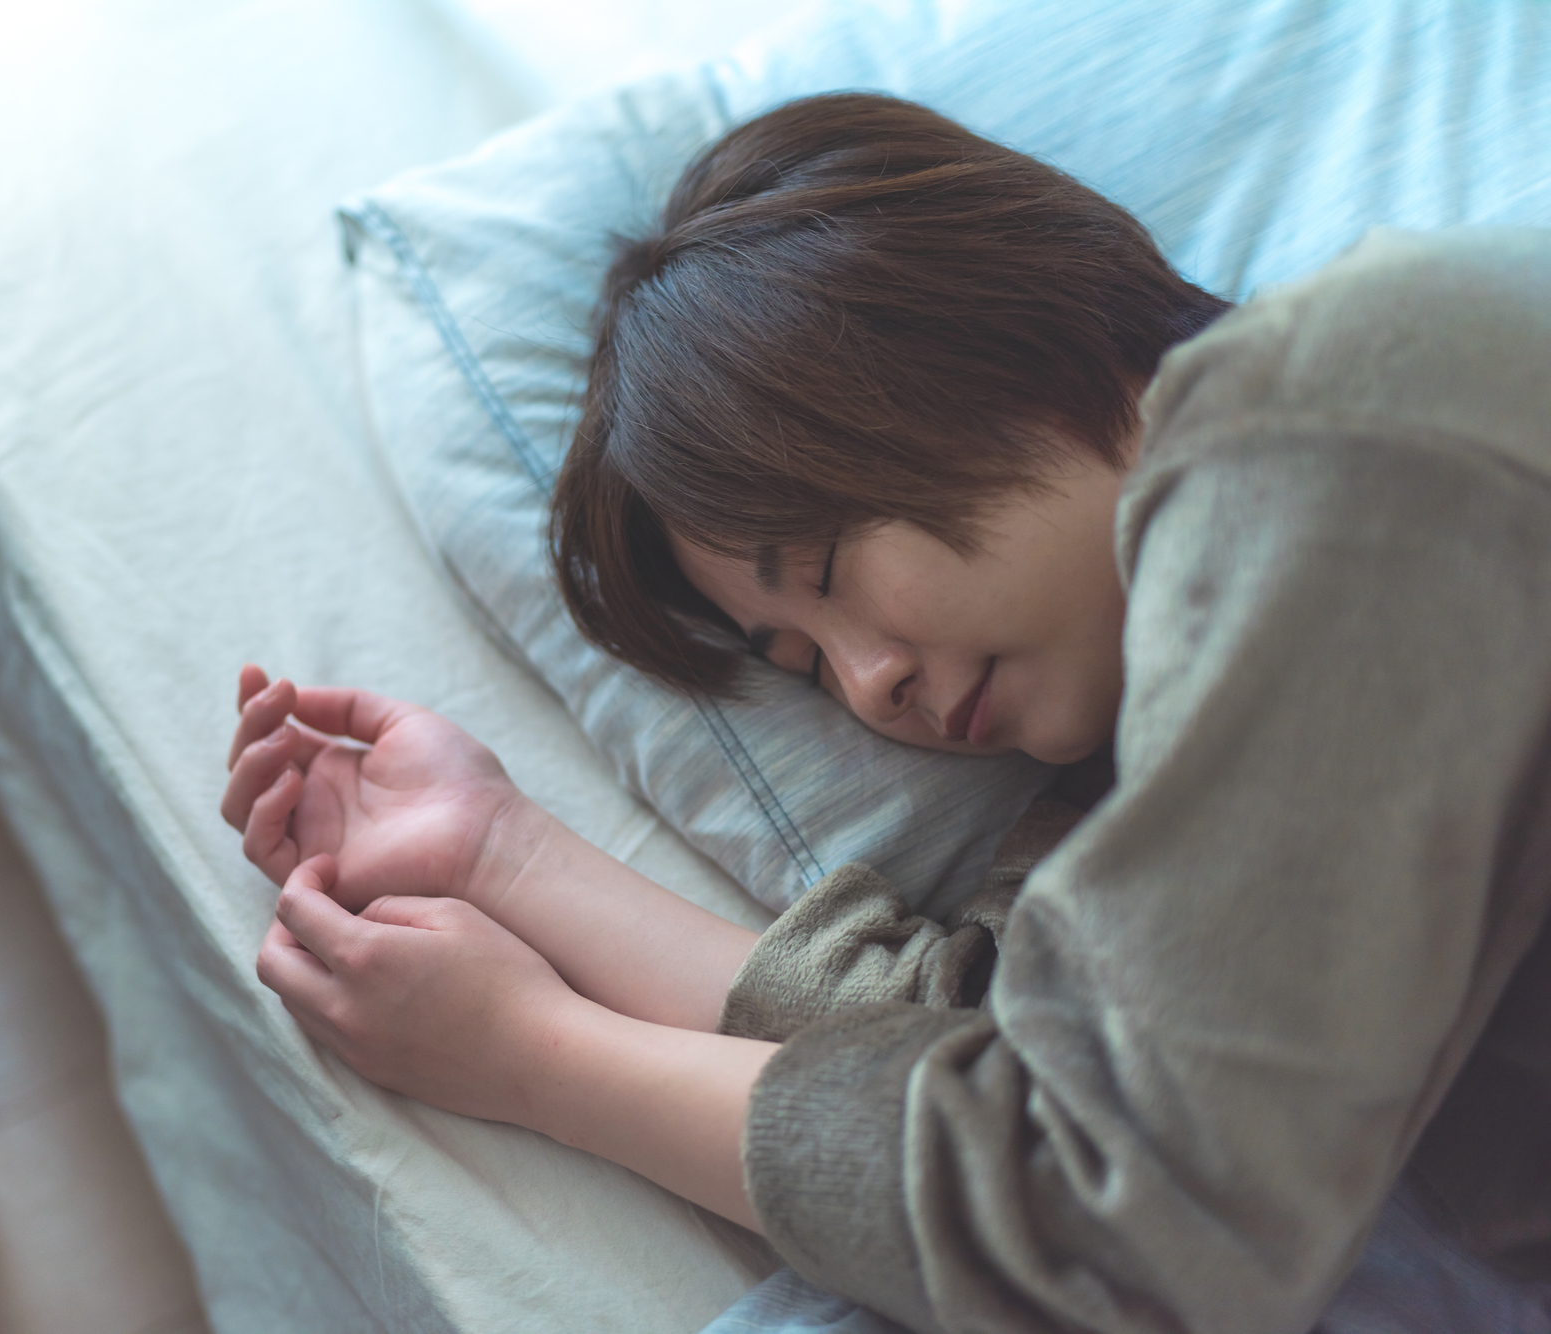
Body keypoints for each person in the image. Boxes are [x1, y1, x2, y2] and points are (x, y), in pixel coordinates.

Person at [223, 94, 1551, 1332]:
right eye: (802, 663)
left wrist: (533, 1056)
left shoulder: (1349, 417)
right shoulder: (1173, 718)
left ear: (990, 340)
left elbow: (1109, 1207)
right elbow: (992, 1040)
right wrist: (498, 852)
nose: (867, 685)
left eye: (832, 571)